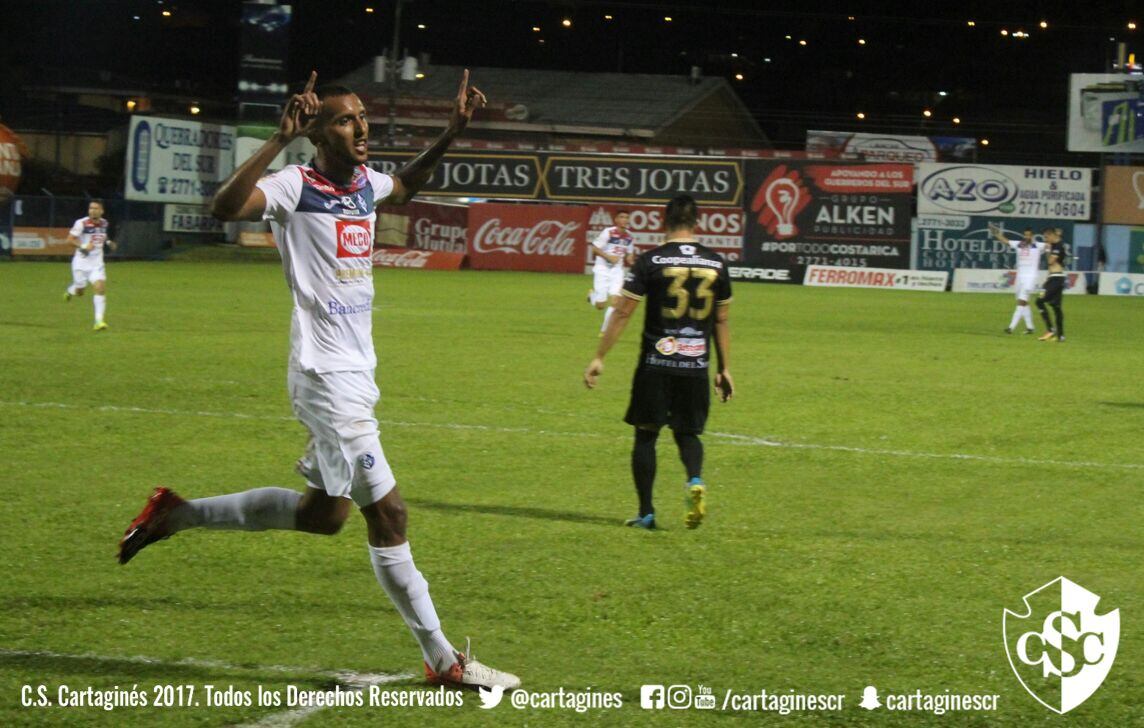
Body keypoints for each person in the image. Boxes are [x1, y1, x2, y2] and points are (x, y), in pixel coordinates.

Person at [116, 70, 520, 690]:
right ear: (318, 134)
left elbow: (405, 187)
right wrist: (278, 141)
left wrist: (450, 132)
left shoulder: (362, 184)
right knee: (390, 513)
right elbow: (224, 208)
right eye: (345, 120)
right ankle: (445, 660)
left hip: (357, 372)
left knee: (323, 515)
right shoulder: (293, 185)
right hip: (325, 376)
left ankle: (177, 515)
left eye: (362, 117)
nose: (361, 128)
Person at [583, 195, 733, 530]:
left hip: (656, 362)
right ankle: (695, 479)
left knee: (646, 434)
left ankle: (647, 513)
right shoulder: (716, 263)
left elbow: (623, 312)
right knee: (688, 433)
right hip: (696, 364)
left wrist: (599, 357)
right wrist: (724, 369)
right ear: (697, 222)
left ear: (664, 221)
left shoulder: (651, 260)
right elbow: (722, 320)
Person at [63, 199, 118, 331]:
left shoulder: (104, 223)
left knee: (100, 288)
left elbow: (102, 235)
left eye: (95, 208)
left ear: (102, 211)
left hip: (97, 263)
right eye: (90, 208)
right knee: (80, 291)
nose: (92, 211)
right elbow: (69, 240)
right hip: (81, 263)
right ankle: (70, 290)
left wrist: (109, 242)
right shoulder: (81, 223)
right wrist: (83, 245)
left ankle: (99, 321)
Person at [587, 211, 635, 334]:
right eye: (622, 217)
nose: (625, 219)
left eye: (627, 217)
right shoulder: (608, 232)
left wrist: (632, 261)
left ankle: (604, 331)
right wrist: (608, 257)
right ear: (616, 220)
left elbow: (629, 254)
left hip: (617, 271)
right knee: (600, 305)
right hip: (602, 269)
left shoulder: (629, 236)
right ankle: (592, 297)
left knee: (616, 301)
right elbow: (594, 249)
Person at [990, 224, 1044, 334]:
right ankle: (1030, 327)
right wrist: (996, 234)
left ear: (1032, 236)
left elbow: (1051, 246)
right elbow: (1005, 241)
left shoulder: (1038, 245)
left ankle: (1011, 327)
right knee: (1024, 301)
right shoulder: (1019, 244)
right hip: (1020, 277)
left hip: (1030, 277)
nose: (1027, 237)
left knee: (1021, 301)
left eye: (1029, 235)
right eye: (1025, 235)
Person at [1036, 227, 1069, 342]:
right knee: (1056, 307)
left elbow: (1050, 261)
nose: (1045, 240)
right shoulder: (1057, 245)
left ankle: (1050, 330)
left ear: (1051, 235)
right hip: (1055, 278)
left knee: (1039, 301)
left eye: (1046, 237)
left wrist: (1048, 249)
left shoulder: (1057, 246)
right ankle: (1061, 336)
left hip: (1056, 278)